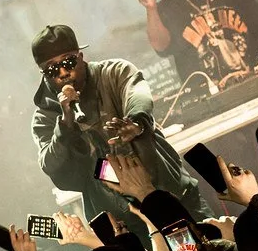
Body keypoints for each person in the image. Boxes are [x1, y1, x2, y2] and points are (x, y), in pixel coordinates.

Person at [30, 24, 213, 234]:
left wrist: (136, 122)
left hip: (171, 197)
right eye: (52, 69)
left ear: (80, 56)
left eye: (68, 62)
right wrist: (65, 124)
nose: (63, 73)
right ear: (43, 73)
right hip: (123, 226)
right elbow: (49, 163)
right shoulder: (44, 117)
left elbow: (138, 94)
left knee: (212, 248)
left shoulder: (114, 72)